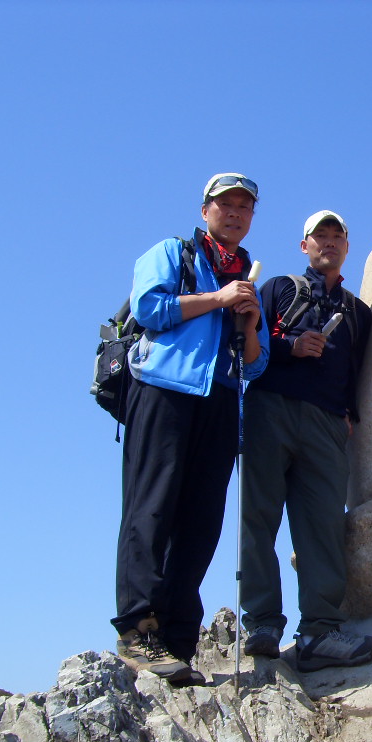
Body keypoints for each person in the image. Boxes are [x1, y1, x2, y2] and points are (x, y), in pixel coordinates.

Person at [112, 173, 270, 684]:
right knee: (151, 508)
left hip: (222, 401)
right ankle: (138, 629)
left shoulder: (247, 275)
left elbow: (257, 364)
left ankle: (178, 640)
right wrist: (219, 299)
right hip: (162, 389)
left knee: (202, 523)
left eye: (245, 207)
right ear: (206, 210)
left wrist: (246, 320)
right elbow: (149, 308)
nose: (235, 213)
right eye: (226, 204)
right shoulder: (174, 253)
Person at [239, 210, 372, 672]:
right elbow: (247, 343)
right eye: (321, 235)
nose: (330, 242)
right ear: (304, 245)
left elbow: (359, 372)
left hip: (326, 423)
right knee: (258, 516)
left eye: (338, 235)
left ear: (347, 246)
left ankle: (320, 631)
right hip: (269, 408)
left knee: (322, 526)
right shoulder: (279, 287)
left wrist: (351, 418)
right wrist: (291, 347)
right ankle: (262, 621)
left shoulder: (358, 313)